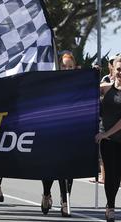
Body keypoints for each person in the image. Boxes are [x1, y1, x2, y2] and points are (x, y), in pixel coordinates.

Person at [96, 54, 121, 222]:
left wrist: (106, 133)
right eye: (118, 69)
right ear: (113, 69)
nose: (120, 72)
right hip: (106, 140)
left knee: (116, 174)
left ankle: (110, 204)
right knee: (109, 174)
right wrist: (93, 74)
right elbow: (84, 89)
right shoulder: (104, 88)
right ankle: (110, 206)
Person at [41, 51, 76, 217]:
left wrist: (94, 73)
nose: (67, 69)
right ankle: (46, 194)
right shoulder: (52, 83)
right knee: (49, 167)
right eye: (64, 65)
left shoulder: (79, 84)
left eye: (70, 66)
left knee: (69, 169)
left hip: (72, 132)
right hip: (53, 131)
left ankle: (65, 201)